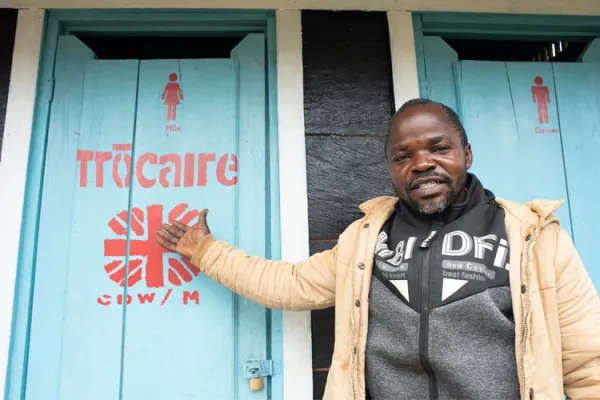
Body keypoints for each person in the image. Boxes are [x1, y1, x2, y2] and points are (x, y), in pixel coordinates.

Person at [156, 98, 600, 400]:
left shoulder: (534, 239)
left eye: (439, 148)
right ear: (391, 168)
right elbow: (289, 285)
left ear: (466, 152)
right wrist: (206, 251)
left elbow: (588, 363)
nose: (422, 162)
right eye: (403, 156)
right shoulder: (367, 239)